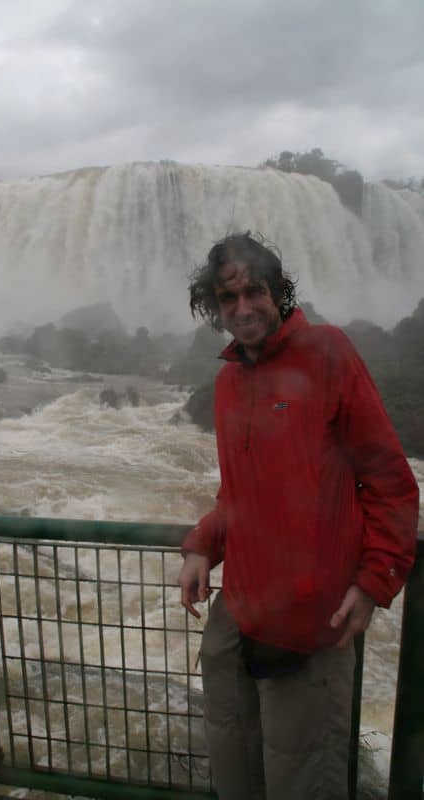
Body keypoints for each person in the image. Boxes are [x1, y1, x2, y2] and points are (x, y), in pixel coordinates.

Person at [177, 231, 419, 800]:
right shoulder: (228, 382)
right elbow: (239, 493)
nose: (242, 308)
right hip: (237, 613)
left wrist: (373, 582)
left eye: (253, 291)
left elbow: (391, 482)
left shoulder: (328, 353)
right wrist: (201, 545)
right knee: (236, 778)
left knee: (303, 780)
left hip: (312, 624)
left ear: (278, 292)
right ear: (215, 307)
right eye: (227, 298)